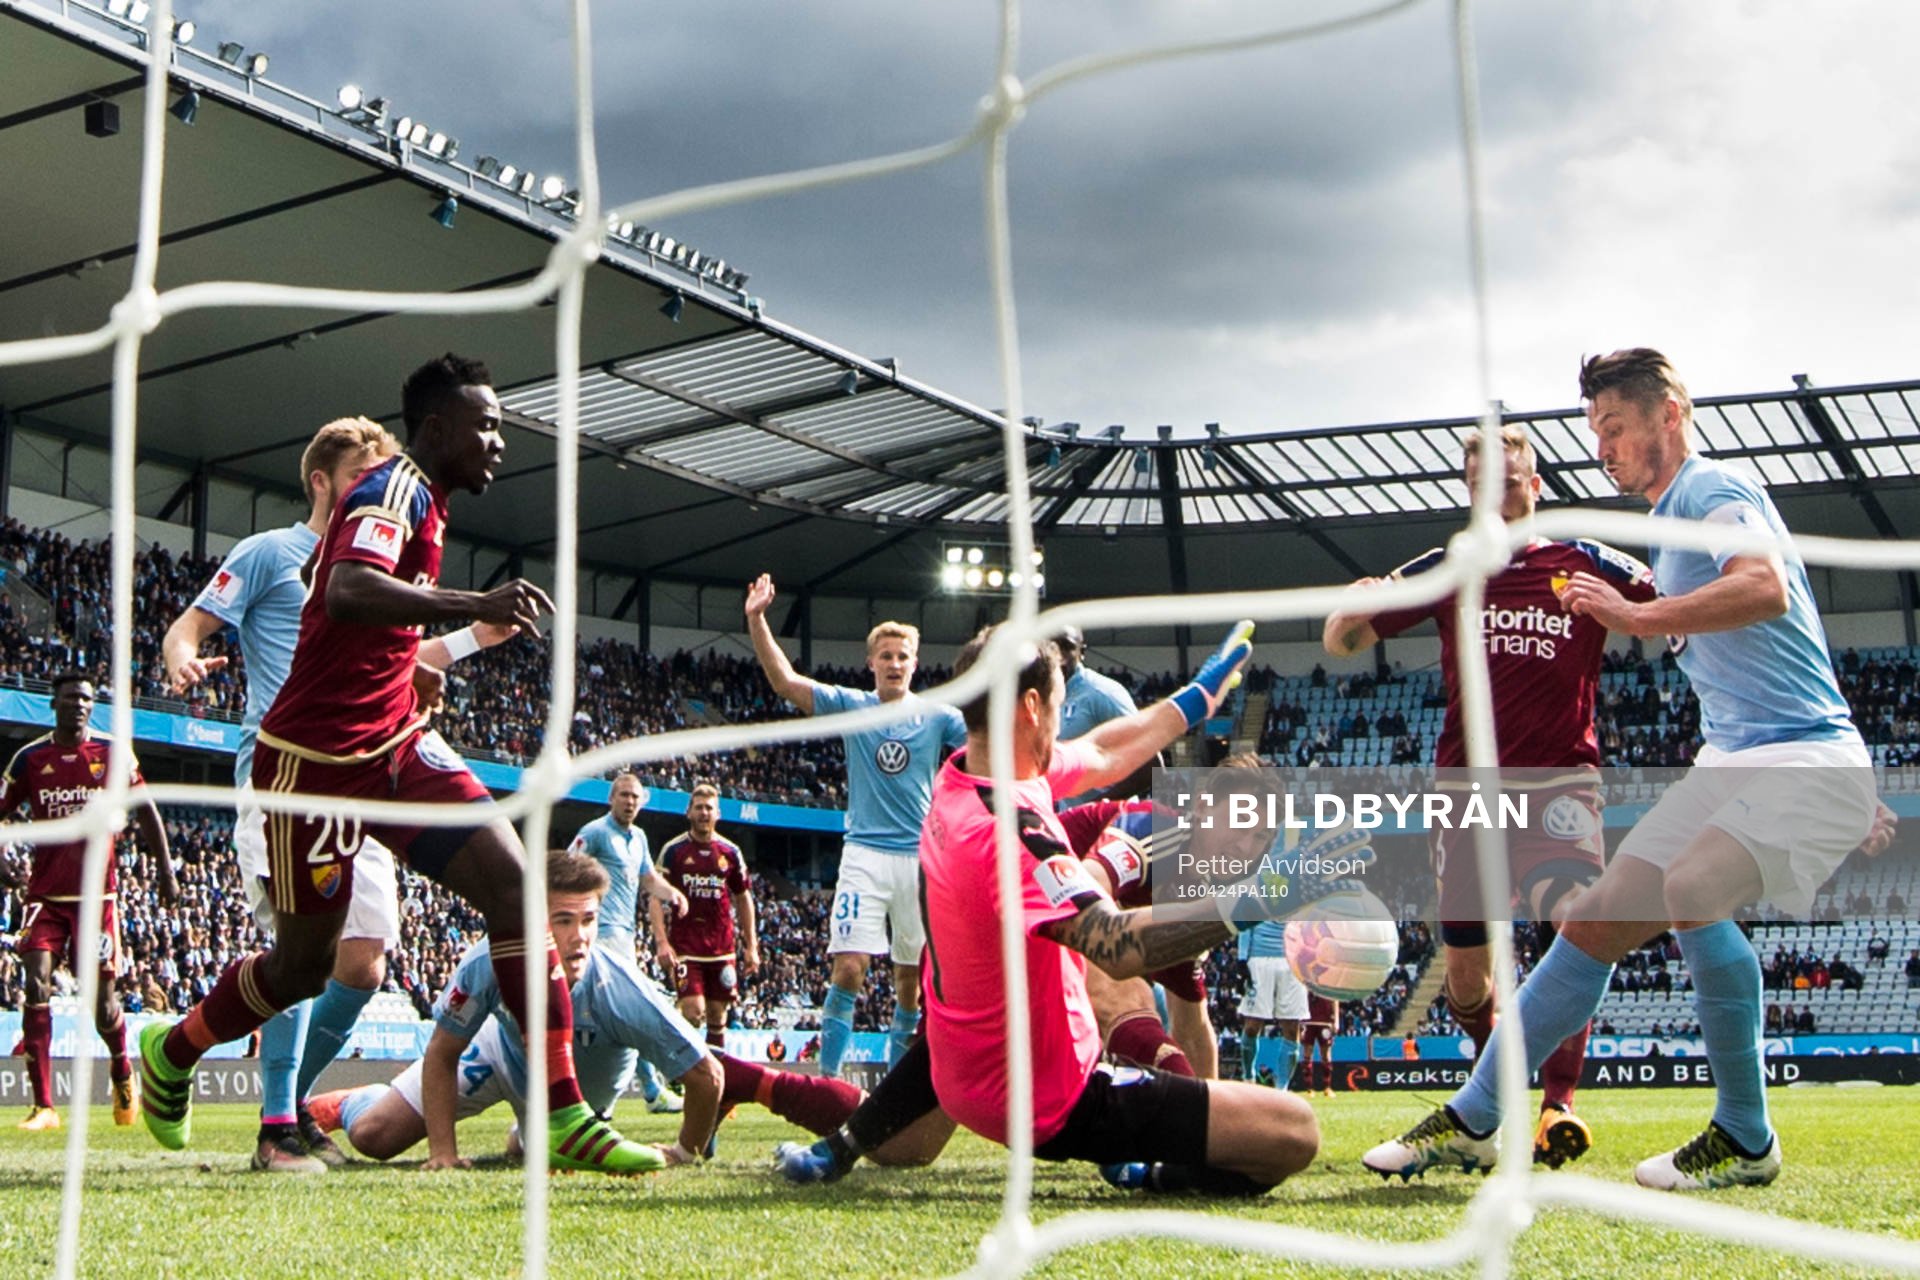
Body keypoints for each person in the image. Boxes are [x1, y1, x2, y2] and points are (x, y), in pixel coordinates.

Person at [1363, 348, 1892, 1191]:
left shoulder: (1713, 490)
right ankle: (1474, 1118)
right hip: (1735, 762)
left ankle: (1745, 1135)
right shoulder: (1670, 521)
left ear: (1668, 415)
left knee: (1691, 889)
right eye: (1595, 431)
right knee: (1591, 926)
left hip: (1799, 755)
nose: (1602, 448)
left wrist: (1633, 618)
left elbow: (1764, 588)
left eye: (1614, 427)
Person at [136, 352, 660, 1175]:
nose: (499, 442)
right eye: (487, 426)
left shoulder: (426, 501)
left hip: (393, 745)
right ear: (438, 429)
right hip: (311, 766)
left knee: (515, 891)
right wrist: (474, 601)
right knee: (301, 966)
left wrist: (419, 661)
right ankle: (175, 1050)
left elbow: (363, 622)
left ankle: (563, 1114)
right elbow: (348, 591)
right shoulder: (394, 490)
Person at [164, 416, 515, 1172]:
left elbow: (399, 655)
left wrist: (468, 638)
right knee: (301, 954)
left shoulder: (389, 554)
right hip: (286, 770)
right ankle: (275, 1127)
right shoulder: (272, 553)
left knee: (363, 964)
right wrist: (182, 658)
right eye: (362, 471)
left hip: (366, 767)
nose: (378, 484)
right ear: (322, 481)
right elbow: (187, 626)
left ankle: (282, 1098)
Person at [1331, 422, 1657, 1170]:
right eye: (1480, 486)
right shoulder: (1450, 567)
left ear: (1535, 486)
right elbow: (1344, 642)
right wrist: (1349, 608)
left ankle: (1557, 1105)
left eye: (1508, 483)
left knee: (1575, 921)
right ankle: (1495, 1099)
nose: (1495, 497)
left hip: (1559, 785)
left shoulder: (1585, 560)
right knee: (1468, 983)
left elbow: (1681, 603)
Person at [307, 850, 862, 1167]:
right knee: (375, 1137)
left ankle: (528, 1133)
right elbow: (442, 1051)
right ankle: (352, 1100)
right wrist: (443, 1154)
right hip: (499, 1056)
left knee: (535, 1154)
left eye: (589, 920)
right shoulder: (489, 958)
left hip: (576, 1092)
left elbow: (707, 1075)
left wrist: (684, 1153)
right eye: (563, 920)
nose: (579, 936)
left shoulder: (620, 986)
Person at [745, 575, 965, 1075]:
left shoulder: (938, 717)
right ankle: (828, 1084)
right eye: (886, 656)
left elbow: (984, 739)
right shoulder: (851, 705)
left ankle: (894, 1087)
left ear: (914, 663)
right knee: (848, 968)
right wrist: (757, 618)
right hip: (864, 854)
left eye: (902, 656)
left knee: (909, 981)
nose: (894, 663)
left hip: (919, 860)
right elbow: (785, 683)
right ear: (871, 663)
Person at [1, 671, 173, 1131]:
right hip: (45, 896)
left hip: (98, 899)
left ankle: (121, 1069)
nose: (78, 705)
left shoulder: (112, 754)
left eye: (85, 699)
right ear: (53, 704)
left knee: (103, 1008)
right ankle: (44, 1106)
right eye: (70, 698)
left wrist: (166, 870)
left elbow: (146, 809)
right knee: (35, 983)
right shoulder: (30, 759)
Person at [567, 770, 690, 1113]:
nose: (630, 801)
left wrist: (673, 894)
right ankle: (645, 1090)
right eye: (623, 795)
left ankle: (641, 1090)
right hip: (599, 936)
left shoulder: (639, 838)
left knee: (619, 1012)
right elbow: (567, 869)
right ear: (611, 799)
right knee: (623, 1010)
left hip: (625, 936)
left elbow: (648, 878)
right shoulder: (595, 832)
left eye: (635, 796)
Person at [648, 783, 758, 1050]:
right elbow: (655, 897)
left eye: (709, 808)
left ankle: (715, 1073)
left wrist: (752, 946)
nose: (704, 813)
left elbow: (743, 898)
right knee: (693, 1011)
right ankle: (684, 1066)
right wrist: (662, 942)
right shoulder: (674, 851)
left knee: (717, 1015)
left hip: (721, 948)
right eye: (698, 808)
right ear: (688, 812)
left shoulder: (730, 853)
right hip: (685, 948)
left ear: (718, 813)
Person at [1237, 918, 1306, 1090]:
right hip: (1259, 959)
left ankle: (1282, 1089)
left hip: (1293, 961)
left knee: (1292, 1028)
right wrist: (1241, 959)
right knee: (1252, 1026)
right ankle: (1248, 1078)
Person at [1303, 992, 1341, 1095]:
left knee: (1326, 1055)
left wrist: (1336, 1020)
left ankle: (1327, 1087)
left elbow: (1335, 998)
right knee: (1307, 1054)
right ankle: (1309, 1088)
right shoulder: (1307, 982)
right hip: (1308, 1021)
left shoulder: (1329, 983)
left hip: (1325, 1021)